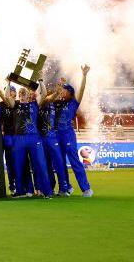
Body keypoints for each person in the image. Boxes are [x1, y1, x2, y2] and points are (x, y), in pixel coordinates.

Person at [0, 74, 52, 198]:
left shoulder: (34, 104)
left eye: (24, 92)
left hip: (34, 137)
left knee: (40, 164)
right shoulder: (15, 105)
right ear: (18, 96)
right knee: (18, 165)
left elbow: (43, 94)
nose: (22, 94)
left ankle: (46, 191)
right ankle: (20, 191)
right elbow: (6, 95)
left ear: (29, 95)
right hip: (19, 138)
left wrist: (40, 80)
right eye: (20, 93)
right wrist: (8, 83)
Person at [54, 65, 93, 197]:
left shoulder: (73, 103)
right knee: (59, 163)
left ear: (70, 92)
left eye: (64, 90)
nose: (61, 92)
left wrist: (84, 75)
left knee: (74, 161)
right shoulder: (56, 103)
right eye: (61, 90)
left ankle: (86, 189)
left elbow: (81, 90)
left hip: (68, 135)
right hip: (55, 135)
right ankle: (66, 188)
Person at [38, 82, 69, 195]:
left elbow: (53, 98)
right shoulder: (37, 103)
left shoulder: (54, 104)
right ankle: (49, 188)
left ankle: (64, 188)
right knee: (46, 165)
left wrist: (58, 92)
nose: (46, 96)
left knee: (59, 164)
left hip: (52, 137)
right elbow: (47, 98)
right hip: (41, 138)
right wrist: (56, 92)